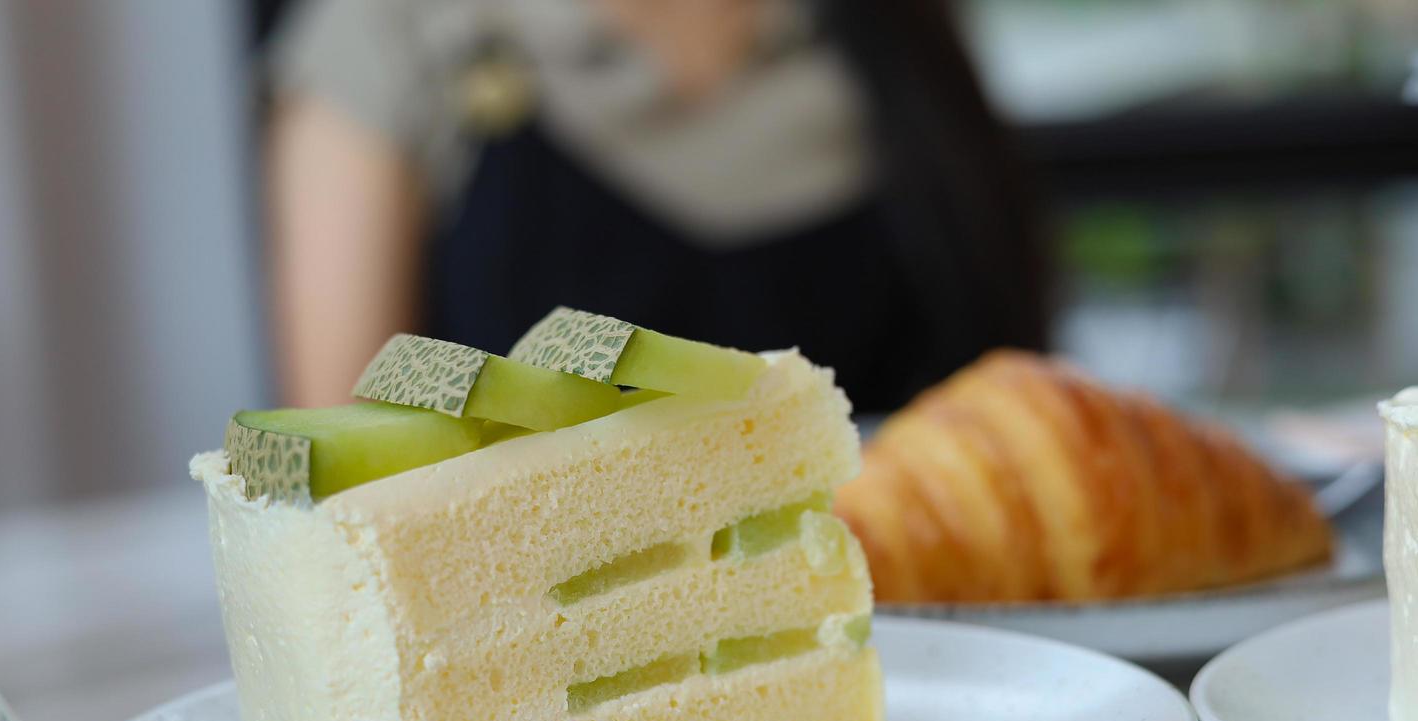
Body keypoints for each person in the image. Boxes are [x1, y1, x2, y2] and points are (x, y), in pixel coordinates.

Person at [265, 0, 1046, 412]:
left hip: (930, 644)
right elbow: (348, 456)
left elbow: (1009, 384)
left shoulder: (898, 34)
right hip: (534, 665)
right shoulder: (395, 32)